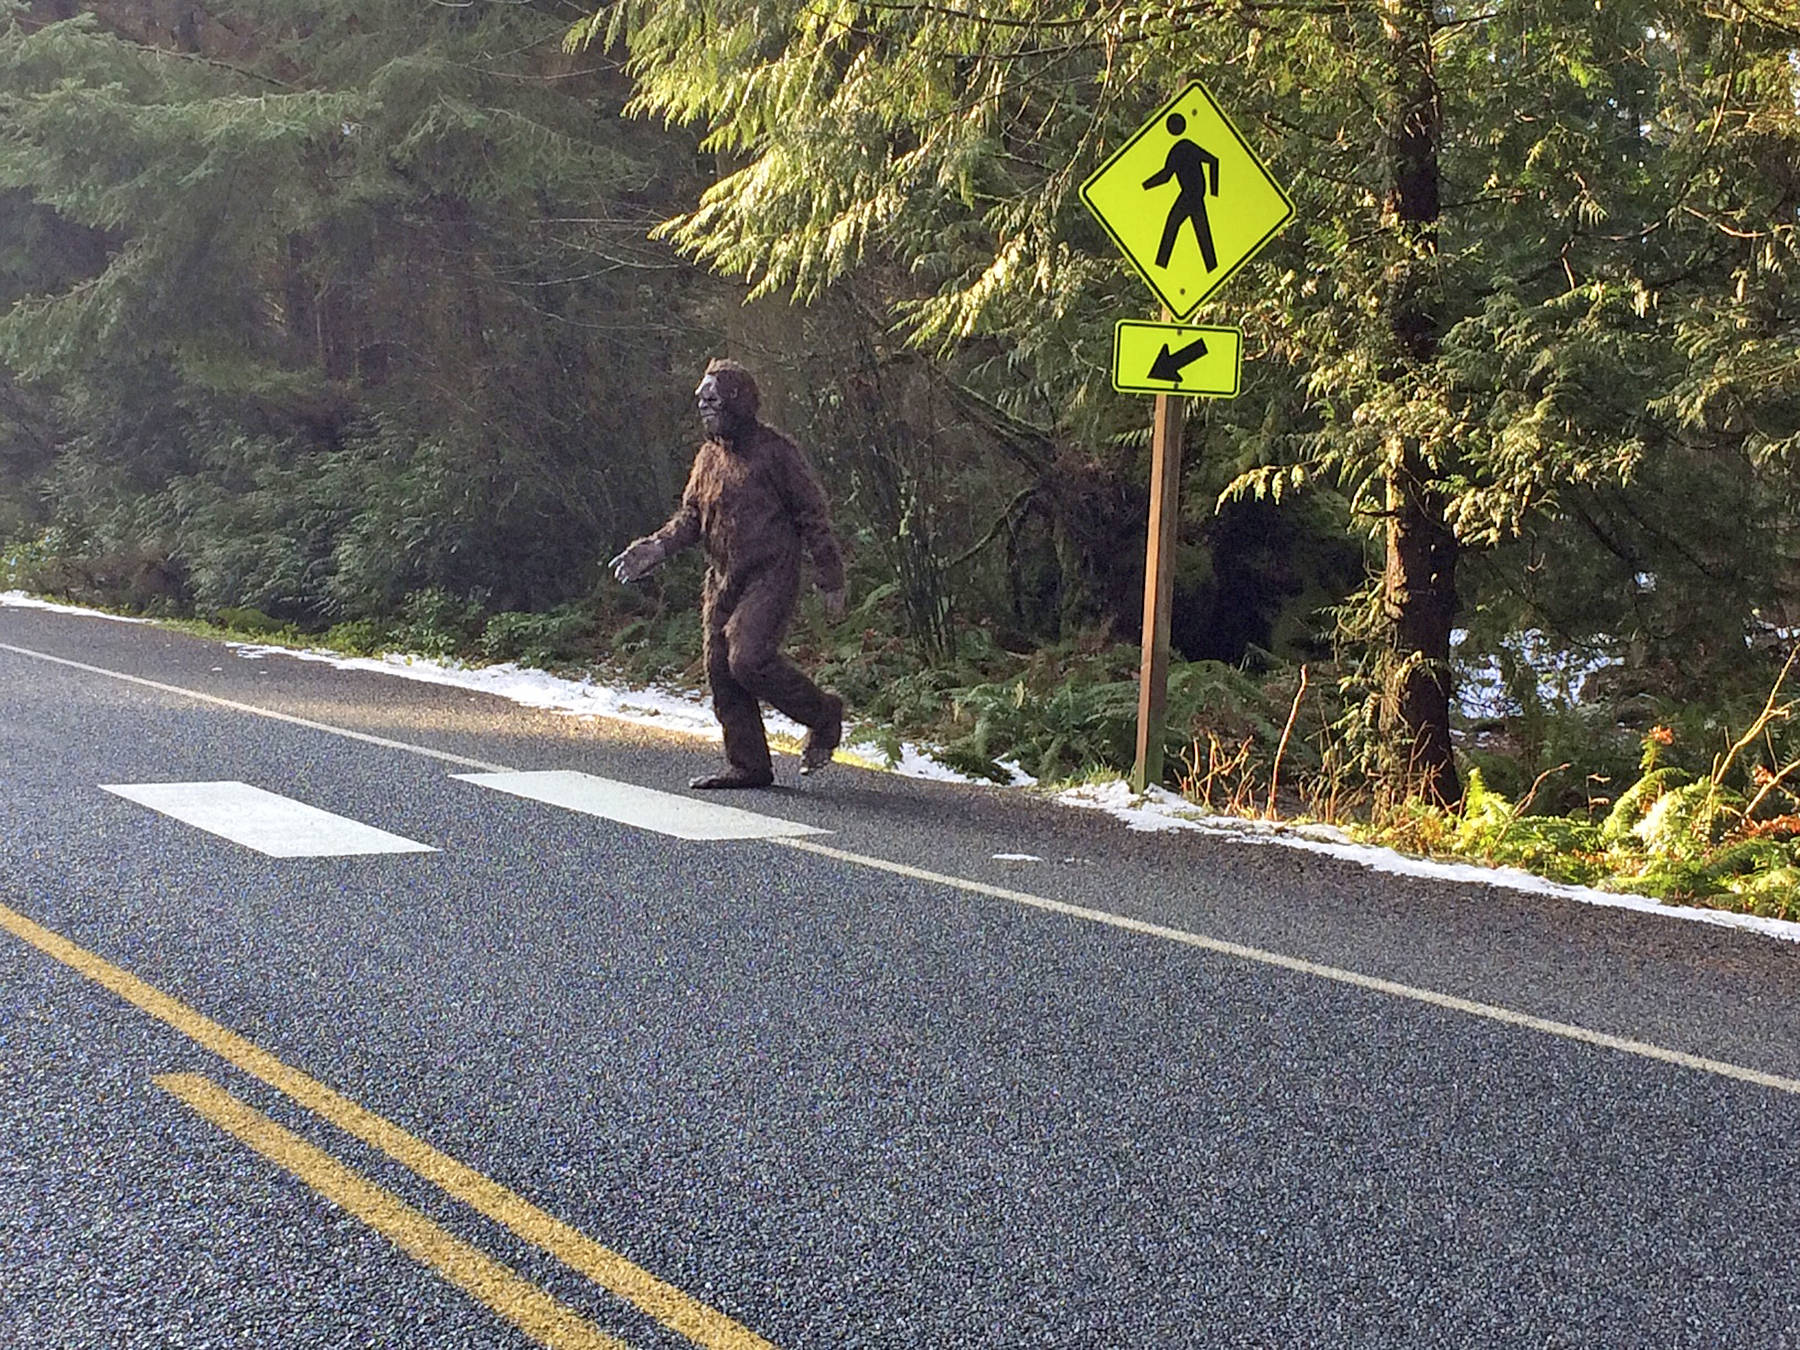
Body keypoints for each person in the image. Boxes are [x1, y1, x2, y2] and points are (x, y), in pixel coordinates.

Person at [609, 359, 847, 789]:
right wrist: (656, 547)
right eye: (701, 399)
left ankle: (824, 714)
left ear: (738, 401)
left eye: (712, 398)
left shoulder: (776, 452)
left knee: (748, 659)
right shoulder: (708, 458)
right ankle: (749, 765)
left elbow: (812, 515)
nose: (703, 405)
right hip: (722, 579)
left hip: (770, 575)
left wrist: (830, 576)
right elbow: (691, 518)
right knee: (720, 669)